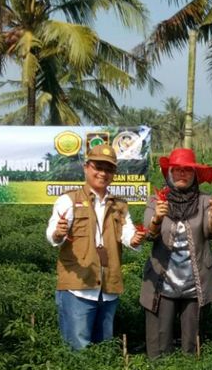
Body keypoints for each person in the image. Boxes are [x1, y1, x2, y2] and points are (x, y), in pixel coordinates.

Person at [46, 144, 145, 349]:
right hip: (78, 288)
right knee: (77, 348)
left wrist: (136, 239)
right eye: (98, 167)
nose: (103, 173)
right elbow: (53, 234)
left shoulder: (119, 205)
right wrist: (59, 233)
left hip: (108, 287)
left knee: (104, 347)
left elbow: (128, 234)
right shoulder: (68, 200)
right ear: (86, 167)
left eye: (109, 169)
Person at [140, 148, 212, 358]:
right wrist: (157, 219)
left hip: (195, 280)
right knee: (160, 336)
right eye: (177, 170)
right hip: (163, 279)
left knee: (192, 339)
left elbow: (210, 232)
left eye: (188, 170)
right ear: (169, 174)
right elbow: (149, 235)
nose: (182, 174)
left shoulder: (205, 201)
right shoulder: (156, 201)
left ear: (195, 175)